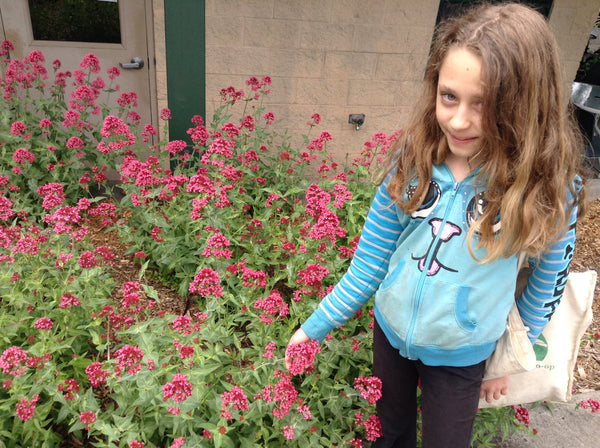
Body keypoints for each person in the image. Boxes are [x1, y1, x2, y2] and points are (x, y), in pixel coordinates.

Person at [285, 3, 587, 447]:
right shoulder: (413, 159)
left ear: (526, 106)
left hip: (463, 360)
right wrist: (312, 328)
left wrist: (505, 362)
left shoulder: (551, 187)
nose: (459, 121)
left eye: (483, 105)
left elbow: (548, 282)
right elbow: (369, 263)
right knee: (389, 434)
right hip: (390, 337)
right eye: (449, 96)